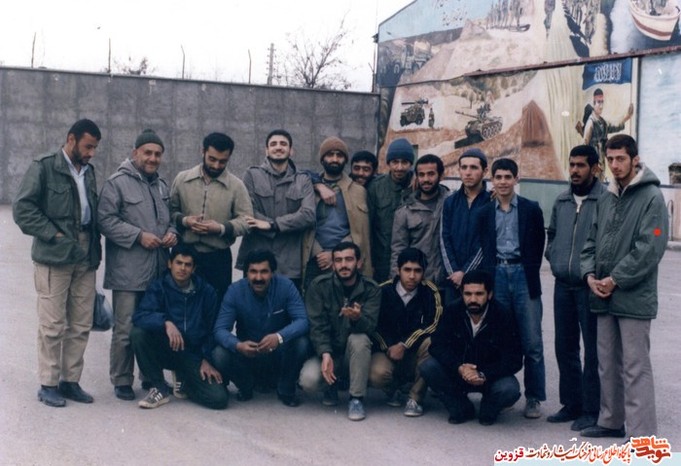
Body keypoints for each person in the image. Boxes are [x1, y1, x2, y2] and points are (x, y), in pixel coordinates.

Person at [580, 134, 668, 439]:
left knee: (635, 366)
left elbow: (651, 246)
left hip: (633, 296)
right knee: (607, 363)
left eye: (621, 159)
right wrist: (589, 275)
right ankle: (610, 421)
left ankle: (642, 434)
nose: (615, 165)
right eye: (610, 159)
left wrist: (615, 279)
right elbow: (590, 240)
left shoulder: (652, 197)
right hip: (603, 294)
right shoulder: (606, 197)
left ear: (635, 159)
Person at [13, 119, 102, 408]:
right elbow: (23, 210)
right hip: (54, 254)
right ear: (71, 139)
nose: (91, 153)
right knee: (52, 324)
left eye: (95, 148)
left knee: (81, 323)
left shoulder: (89, 172)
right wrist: (55, 235)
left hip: (85, 254)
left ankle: (70, 381)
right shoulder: (43, 167)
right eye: (88, 146)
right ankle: (48, 384)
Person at [98, 129, 178, 401]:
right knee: (125, 329)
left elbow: (171, 218)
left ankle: (150, 376)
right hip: (128, 273)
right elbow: (105, 220)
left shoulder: (162, 185)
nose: (153, 158)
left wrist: (172, 233)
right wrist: (138, 236)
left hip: (158, 272)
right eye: (148, 153)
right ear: (135, 153)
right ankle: (122, 379)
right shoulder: (116, 183)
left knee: (152, 327)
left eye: (157, 154)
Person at [478, 157, 546, 419]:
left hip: (523, 275)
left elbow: (537, 244)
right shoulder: (485, 212)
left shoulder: (531, 209)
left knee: (532, 341)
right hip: (497, 274)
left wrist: (526, 271)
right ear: (492, 180)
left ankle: (534, 397)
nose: (503, 182)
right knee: (499, 336)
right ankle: (501, 391)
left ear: (517, 179)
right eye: (499, 177)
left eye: (508, 177)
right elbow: (484, 246)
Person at [544, 145, 604, 431]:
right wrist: (555, 258)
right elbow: (553, 234)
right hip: (563, 285)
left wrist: (594, 272)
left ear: (594, 168)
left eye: (581, 165)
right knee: (565, 347)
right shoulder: (562, 200)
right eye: (572, 165)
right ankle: (571, 404)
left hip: (589, 286)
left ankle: (592, 410)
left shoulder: (605, 200)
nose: (575, 171)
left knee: (592, 351)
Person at [130, 244, 228, 410]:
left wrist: (206, 359)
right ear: (170, 264)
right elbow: (140, 316)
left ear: (194, 268)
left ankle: (187, 383)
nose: (182, 268)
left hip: (193, 354)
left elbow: (213, 329)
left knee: (218, 399)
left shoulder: (206, 292)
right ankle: (159, 387)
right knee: (138, 333)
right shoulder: (159, 287)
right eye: (179, 263)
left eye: (187, 264)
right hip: (165, 348)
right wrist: (165, 322)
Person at [420, 270, 522, 426]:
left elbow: (514, 359)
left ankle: (488, 408)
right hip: (459, 373)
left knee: (509, 388)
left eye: (479, 294)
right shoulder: (452, 310)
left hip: (489, 377)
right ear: (461, 293)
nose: (473, 299)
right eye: (468, 294)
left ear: (489, 294)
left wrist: (483, 374)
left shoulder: (503, 315)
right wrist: (459, 367)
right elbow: (437, 346)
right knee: (428, 367)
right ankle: (461, 407)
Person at [213, 249, 310, 407]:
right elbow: (220, 329)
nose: (258, 278)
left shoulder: (286, 286)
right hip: (248, 353)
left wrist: (279, 337)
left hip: (277, 352)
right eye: (253, 272)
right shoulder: (235, 291)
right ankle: (246, 386)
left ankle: (286, 389)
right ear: (246, 273)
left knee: (301, 343)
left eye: (264, 272)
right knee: (219, 353)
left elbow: (303, 321)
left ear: (272, 273)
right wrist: (238, 345)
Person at [300, 242, 381, 421]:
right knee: (308, 380)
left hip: (355, 355)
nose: (344, 265)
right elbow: (317, 326)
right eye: (338, 260)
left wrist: (357, 318)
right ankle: (331, 387)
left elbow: (371, 327)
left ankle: (356, 399)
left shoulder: (371, 288)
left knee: (360, 338)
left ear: (359, 263)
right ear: (333, 264)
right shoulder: (319, 285)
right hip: (330, 352)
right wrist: (325, 353)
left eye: (349, 259)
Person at [169, 132, 252, 301]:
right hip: (185, 255)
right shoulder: (182, 179)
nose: (216, 165)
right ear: (203, 152)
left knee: (217, 306)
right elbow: (169, 212)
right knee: (181, 305)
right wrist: (185, 221)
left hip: (218, 258)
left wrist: (221, 228)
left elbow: (247, 221)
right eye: (212, 159)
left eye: (222, 161)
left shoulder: (236, 186)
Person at [236, 129, 315, 290]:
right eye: (273, 144)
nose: (278, 147)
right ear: (266, 150)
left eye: (283, 144)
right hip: (256, 258)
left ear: (291, 151)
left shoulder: (303, 180)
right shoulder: (252, 175)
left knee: (287, 304)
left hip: (290, 263)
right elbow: (246, 210)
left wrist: (273, 225)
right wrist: (266, 223)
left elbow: (308, 214)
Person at [370, 248, 443, 417]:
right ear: (398, 270)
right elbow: (373, 326)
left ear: (423, 272)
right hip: (386, 350)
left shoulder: (430, 291)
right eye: (407, 270)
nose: (412, 276)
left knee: (432, 343)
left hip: (415, 351)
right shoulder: (382, 290)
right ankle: (393, 389)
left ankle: (415, 398)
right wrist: (389, 347)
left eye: (417, 271)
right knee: (377, 374)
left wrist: (404, 345)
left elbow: (433, 324)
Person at [302, 137, 372, 291]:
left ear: (345, 160)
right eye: (330, 155)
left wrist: (334, 254)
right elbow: (305, 226)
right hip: (314, 259)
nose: (334, 159)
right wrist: (319, 253)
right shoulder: (308, 188)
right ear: (322, 159)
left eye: (339, 155)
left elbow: (359, 230)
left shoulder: (358, 191)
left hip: (347, 260)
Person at [439, 148, 491, 303]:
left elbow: (485, 242)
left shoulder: (491, 202)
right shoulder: (450, 202)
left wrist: (465, 272)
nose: (468, 172)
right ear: (459, 170)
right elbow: (444, 238)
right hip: (452, 278)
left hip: (479, 279)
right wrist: (455, 272)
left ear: (485, 171)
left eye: (474, 167)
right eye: (464, 167)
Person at [390, 154, 449, 287]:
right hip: (417, 282)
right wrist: (397, 282)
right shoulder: (405, 210)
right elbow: (398, 249)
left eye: (431, 174)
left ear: (441, 175)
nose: (426, 179)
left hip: (447, 281)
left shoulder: (451, 203)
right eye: (421, 175)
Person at [367, 138, 414, 283]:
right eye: (395, 162)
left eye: (404, 162)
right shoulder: (376, 187)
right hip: (382, 259)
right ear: (388, 163)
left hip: (411, 260)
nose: (399, 167)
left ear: (411, 164)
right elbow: (368, 227)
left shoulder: (418, 186)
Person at [582, 88, 634, 177]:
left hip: (601, 162)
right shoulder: (590, 122)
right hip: (593, 165)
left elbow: (614, 126)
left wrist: (627, 117)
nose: (601, 106)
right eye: (598, 102)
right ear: (594, 103)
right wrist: (591, 163)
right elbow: (584, 146)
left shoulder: (603, 122)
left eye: (602, 102)